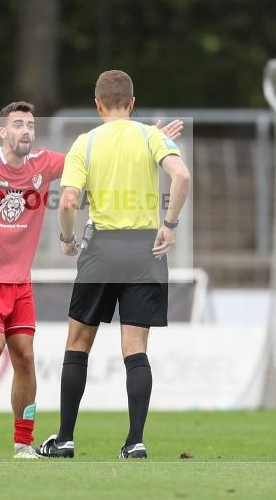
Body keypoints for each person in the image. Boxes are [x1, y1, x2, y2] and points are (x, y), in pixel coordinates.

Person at [0, 103, 183, 460]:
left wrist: (152, 142)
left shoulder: (44, 162)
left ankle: (23, 443)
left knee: (25, 357)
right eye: (17, 125)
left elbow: (96, 160)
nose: (26, 130)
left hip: (18, 280)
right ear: (3, 132)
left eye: (30, 125)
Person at [36, 70, 191, 459]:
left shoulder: (85, 143)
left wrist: (68, 240)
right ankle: (135, 441)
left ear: (97, 103)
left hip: (101, 250)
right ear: (132, 103)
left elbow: (69, 201)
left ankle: (65, 438)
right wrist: (169, 226)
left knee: (78, 343)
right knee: (135, 349)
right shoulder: (151, 137)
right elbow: (182, 176)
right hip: (145, 250)